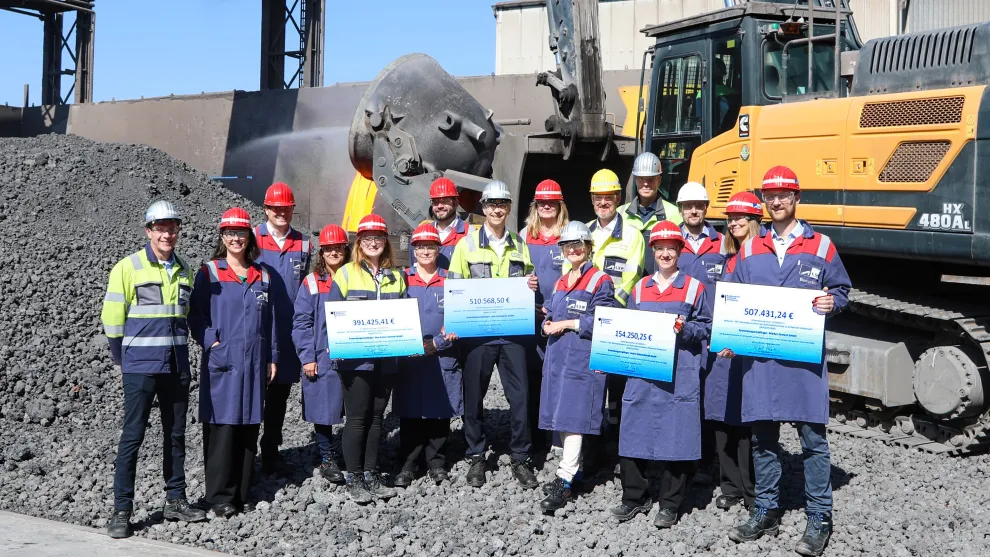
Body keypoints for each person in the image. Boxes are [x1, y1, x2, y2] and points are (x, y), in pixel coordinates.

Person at [721, 166, 851, 557]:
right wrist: (728, 335)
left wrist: (833, 302)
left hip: (803, 364)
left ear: (796, 198)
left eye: (784, 194)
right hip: (760, 364)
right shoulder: (748, 249)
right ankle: (766, 509)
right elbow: (733, 300)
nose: (776, 201)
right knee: (763, 441)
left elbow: (843, 290)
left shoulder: (821, 246)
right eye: (770, 195)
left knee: (813, 441)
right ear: (764, 201)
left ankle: (819, 517)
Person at [101, 201, 207, 538]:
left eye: (172, 227)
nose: (167, 233)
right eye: (160, 227)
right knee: (133, 435)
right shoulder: (127, 268)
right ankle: (121, 510)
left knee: (176, 434)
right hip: (140, 367)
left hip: (175, 366)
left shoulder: (185, 270)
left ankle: (175, 499)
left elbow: (186, 317)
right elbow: (112, 319)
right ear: (149, 231)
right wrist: (122, 360)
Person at [610, 221, 711, 529]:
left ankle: (669, 503)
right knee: (633, 430)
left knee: (678, 435)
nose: (666, 254)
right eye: (660, 248)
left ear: (680, 251)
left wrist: (687, 329)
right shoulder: (640, 288)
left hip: (679, 373)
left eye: (672, 248)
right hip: (643, 373)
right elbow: (626, 331)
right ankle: (634, 497)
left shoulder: (695, 288)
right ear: (652, 251)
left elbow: (707, 327)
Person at [448, 180, 541, 489]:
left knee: (520, 399)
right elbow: (455, 288)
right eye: (491, 204)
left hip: (513, 336)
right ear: (483, 208)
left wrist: (532, 286)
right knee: (473, 398)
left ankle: (520, 457)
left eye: (502, 204)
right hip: (478, 337)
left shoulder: (520, 244)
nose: (497, 209)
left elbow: (528, 279)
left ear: (509, 208)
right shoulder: (466, 245)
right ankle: (476, 456)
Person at [188, 207, 280, 518]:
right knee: (223, 427)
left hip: (255, 363)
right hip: (224, 363)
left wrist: (272, 358)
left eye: (241, 232)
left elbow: (271, 322)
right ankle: (218, 496)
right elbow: (195, 316)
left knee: (248, 426)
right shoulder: (210, 272)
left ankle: (242, 492)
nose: (235, 238)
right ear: (222, 236)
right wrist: (212, 343)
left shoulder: (263, 275)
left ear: (249, 236)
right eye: (230, 232)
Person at [537, 221, 616, 513]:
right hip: (559, 358)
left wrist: (566, 323)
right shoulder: (561, 281)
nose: (573, 250)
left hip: (582, 359)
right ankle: (571, 471)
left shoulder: (600, 280)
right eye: (567, 246)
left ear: (588, 247)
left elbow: (603, 320)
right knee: (560, 416)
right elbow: (552, 310)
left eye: (578, 245)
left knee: (573, 418)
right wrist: (547, 321)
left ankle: (565, 478)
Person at [328, 213, 404, 504]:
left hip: (386, 361)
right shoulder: (346, 273)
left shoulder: (396, 277)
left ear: (386, 242)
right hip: (355, 362)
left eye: (379, 238)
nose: (374, 243)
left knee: (377, 419)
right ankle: (354, 477)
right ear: (359, 242)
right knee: (357, 419)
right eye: (368, 238)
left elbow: (402, 316)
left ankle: (371, 474)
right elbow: (332, 316)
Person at [705, 192, 763, 511]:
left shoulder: (762, 260)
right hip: (722, 352)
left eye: (742, 217)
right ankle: (729, 486)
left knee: (746, 423)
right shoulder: (726, 259)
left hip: (749, 352)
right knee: (722, 417)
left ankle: (751, 490)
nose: (735, 222)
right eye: (731, 218)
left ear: (756, 222)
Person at [393, 223, 462, 487]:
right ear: (413, 249)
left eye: (430, 246)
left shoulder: (450, 281)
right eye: (420, 246)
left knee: (438, 410)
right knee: (409, 410)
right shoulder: (401, 279)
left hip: (441, 355)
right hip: (410, 357)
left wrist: (438, 343)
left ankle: (436, 462)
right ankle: (408, 464)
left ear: (438, 249)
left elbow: (460, 320)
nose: (425, 251)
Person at [583, 168, 646, 445]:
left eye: (608, 197)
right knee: (591, 384)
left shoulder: (633, 235)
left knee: (618, 386)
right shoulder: (584, 232)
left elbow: (632, 277)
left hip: (617, 319)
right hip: (587, 320)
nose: (603, 202)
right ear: (592, 200)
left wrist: (607, 308)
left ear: (618, 197)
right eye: (598, 197)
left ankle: (619, 445)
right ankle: (592, 446)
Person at [254, 182, 311, 475]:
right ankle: (246, 453)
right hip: (258, 328)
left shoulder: (303, 244)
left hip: (287, 331)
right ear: (266, 209)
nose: (281, 212)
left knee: (279, 396)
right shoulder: (251, 238)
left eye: (286, 208)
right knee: (252, 393)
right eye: (276, 208)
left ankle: (271, 452)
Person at [673, 181, 724, 486]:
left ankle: (706, 460)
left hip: (711, 333)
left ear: (706, 208)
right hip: (678, 335)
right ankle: (679, 460)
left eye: (699, 205)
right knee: (679, 394)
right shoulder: (669, 243)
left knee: (709, 396)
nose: (693, 210)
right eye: (688, 205)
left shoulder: (722, 243)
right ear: (680, 209)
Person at [291, 224, 350, 485]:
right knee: (322, 409)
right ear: (322, 252)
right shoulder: (312, 283)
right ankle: (328, 458)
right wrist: (307, 357)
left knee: (356, 409)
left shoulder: (355, 276)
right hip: (321, 355)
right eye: (329, 249)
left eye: (338, 248)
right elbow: (301, 322)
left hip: (353, 354)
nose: (334, 252)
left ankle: (350, 453)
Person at [524, 179, 569, 453]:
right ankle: (534, 437)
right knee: (532, 377)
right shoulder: (524, 235)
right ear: (536, 206)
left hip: (558, 318)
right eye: (542, 202)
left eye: (552, 202)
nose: (547, 206)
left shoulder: (570, 236)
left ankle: (557, 437)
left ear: (560, 205)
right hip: (530, 317)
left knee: (558, 377)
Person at [619, 152, 683, 276]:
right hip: (629, 287)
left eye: (650, 179)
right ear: (636, 180)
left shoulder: (674, 213)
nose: (646, 183)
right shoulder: (620, 214)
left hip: (661, 285)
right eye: (641, 178)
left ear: (659, 180)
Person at [408, 177, 470, 270]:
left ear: (456, 203)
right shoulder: (421, 234)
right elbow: (414, 270)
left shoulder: (470, 233)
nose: (440, 206)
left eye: (445, 201)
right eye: (435, 202)